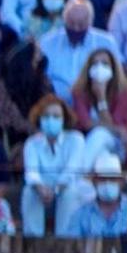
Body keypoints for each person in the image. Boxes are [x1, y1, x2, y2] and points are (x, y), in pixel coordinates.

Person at [21, 94, 88, 236]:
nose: (51, 120)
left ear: (64, 119)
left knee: (69, 193)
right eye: (46, 116)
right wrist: (40, 188)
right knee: (29, 192)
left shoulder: (76, 140)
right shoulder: (32, 143)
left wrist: (55, 190)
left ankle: (65, 240)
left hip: (68, 192)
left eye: (56, 116)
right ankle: (32, 240)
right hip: (42, 193)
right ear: (39, 119)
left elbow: (71, 172)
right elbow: (31, 173)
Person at [39, 0, 121, 98]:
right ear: (64, 20)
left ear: (90, 22)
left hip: (93, 100)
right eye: (71, 23)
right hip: (55, 101)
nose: (76, 28)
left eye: (81, 25)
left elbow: (118, 76)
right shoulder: (47, 42)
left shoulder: (106, 42)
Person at [66, 153, 127, 239]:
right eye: (103, 179)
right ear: (94, 182)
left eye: (113, 179)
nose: (107, 183)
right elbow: (72, 243)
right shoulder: (80, 214)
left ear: (121, 182)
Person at [71, 48, 127, 154]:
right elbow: (85, 123)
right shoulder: (79, 92)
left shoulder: (124, 93)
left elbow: (114, 123)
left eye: (105, 64)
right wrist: (118, 130)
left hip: (116, 143)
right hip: (85, 141)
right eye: (95, 64)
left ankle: (80, 165)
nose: (99, 68)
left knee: (100, 134)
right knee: (107, 161)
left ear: (113, 69)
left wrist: (101, 97)